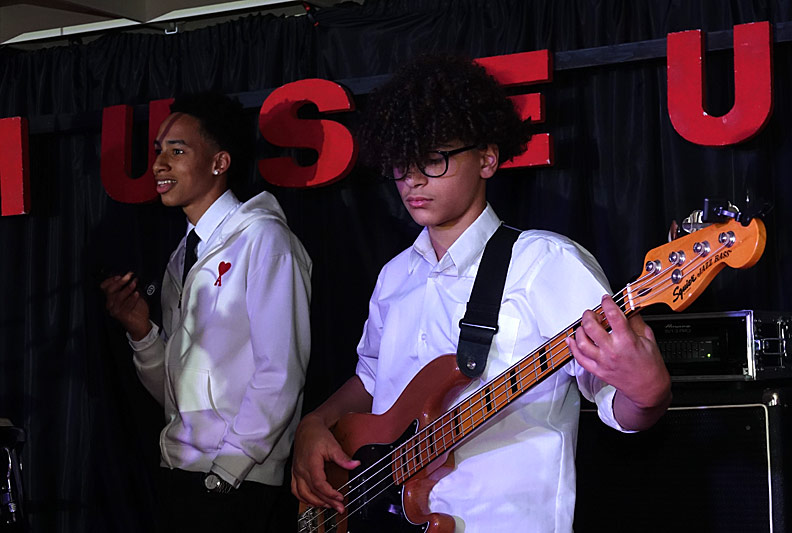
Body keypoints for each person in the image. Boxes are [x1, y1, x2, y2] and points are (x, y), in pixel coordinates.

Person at [291, 54, 671, 532]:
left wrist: (648, 392)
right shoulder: (394, 276)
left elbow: (618, 402)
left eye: (434, 159)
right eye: (403, 163)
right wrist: (316, 423)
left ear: (487, 158)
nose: (413, 179)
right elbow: (370, 381)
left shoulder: (545, 263)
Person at [100, 92, 312, 531]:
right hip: (180, 473)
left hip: (236, 481)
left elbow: (281, 371)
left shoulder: (264, 240)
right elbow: (176, 392)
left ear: (220, 162)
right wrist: (142, 334)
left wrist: (227, 471)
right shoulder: (183, 257)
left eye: (177, 151)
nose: (159, 164)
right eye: (158, 150)